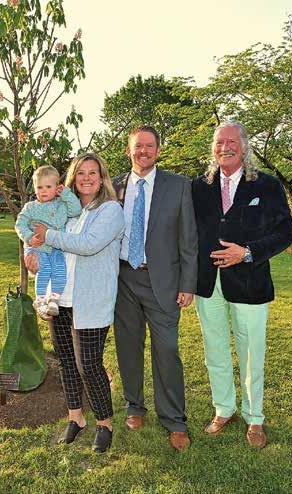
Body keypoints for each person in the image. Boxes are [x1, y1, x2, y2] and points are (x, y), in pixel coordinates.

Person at [192, 121, 292, 448]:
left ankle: (255, 417)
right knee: (215, 350)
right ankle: (224, 409)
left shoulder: (267, 185)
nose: (225, 147)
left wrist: (247, 253)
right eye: (219, 142)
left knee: (252, 354)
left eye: (232, 142)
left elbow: (284, 233)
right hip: (208, 284)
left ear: (245, 146)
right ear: (213, 148)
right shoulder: (199, 187)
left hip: (250, 283)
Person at [27, 153, 124, 453]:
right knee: (66, 361)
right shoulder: (63, 210)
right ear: (72, 178)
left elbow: (88, 244)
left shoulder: (110, 210)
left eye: (93, 172)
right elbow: (37, 239)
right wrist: (31, 255)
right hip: (59, 299)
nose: (86, 178)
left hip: (91, 301)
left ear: (102, 178)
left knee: (89, 365)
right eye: (81, 172)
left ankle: (104, 423)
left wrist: (48, 235)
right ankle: (76, 417)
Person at [113, 125, 198, 451]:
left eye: (149, 146)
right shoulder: (114, 186)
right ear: (128, 150)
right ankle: (134, 405)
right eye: (138, 146)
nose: (143, 151)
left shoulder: (178, 186)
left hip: (163, 281)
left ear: (158, 151)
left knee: (167, 351)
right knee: (128, 346)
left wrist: (187, 284)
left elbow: (188, 240)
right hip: (123, 278)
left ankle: (174, 419)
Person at [16, 165, 82, 319]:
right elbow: (20, 224)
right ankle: (40, 299)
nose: (43, 191)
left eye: (48, 187)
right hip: (38, 247)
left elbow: (76, 210)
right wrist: (29, 237)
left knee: (60, 270)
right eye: (39, 187)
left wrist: (66, 194)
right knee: (44, 270)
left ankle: (54, 299)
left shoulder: (62, 205)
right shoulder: (31, 207)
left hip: (57, 248)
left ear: (57, 187)